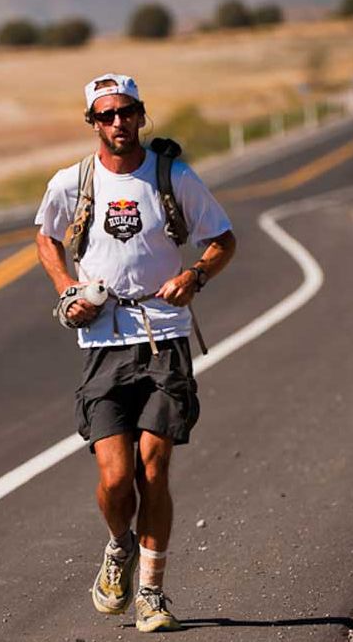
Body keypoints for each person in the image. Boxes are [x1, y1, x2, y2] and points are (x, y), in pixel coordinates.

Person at [35, 73, 236, 633]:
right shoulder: (72, 182)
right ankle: (118, 547)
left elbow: (222, 238)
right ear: (93, 124)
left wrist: (194, 276)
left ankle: (152, 593)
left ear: (142, 116)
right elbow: (45, 236)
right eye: (106, 115)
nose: (118, 122)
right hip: (102, 343)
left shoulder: (174, 177)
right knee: (117, 477)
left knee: (155, 466)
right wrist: (67, 291)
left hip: (164, 338)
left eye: (127, 112)